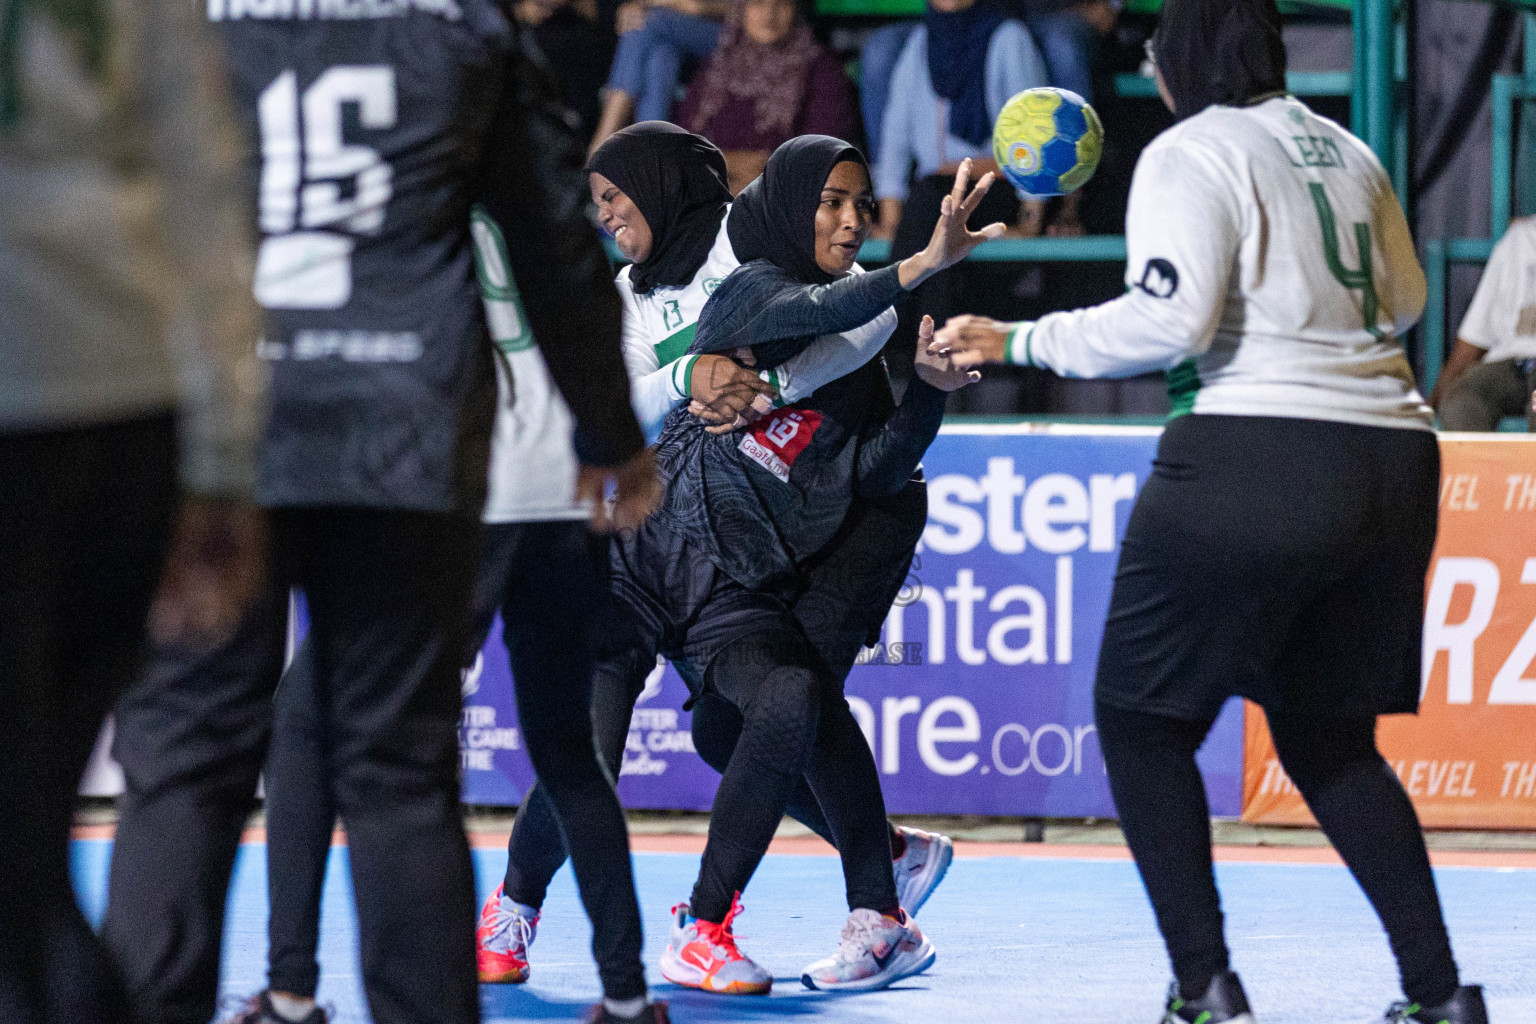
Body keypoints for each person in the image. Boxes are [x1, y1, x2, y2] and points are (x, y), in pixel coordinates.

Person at [929, 1, 1489, 1022]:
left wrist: (1013, 340)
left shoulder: (1192, 149)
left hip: (1258, 449)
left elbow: (1169, 316)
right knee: (1331, 742)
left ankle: (1206, 988)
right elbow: (1405, 301)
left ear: (1186, 55)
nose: (1153, 67)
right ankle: (1442, 995)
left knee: (1139, 724)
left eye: (1156, 52)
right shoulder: (1352, 151)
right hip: (1396, 461)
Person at [100, 9, 660, 1024]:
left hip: (222, 421)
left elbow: (101, 206)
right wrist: (610, 431)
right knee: (399, 771)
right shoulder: (463, 25)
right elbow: (552, 236)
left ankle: (260, 989)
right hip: (402, 425)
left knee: (181, 764)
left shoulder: (173, 20)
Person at [478, 122, 956, 988]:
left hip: (739, 571)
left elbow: (846, 316)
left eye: (617, 198)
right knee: (606, 743)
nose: (608, 217)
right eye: (598, 204)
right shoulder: (633, 295)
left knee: (776, 702)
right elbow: (618, 393)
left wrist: (861, 363)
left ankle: (736, 919)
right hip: (637, 559)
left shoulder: (753, 255)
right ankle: (511, 909)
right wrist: (693, 377)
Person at [239, 205, 664, 1024]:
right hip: (560, 498)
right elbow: (598, 327)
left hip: (452, 497)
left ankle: (290, 990)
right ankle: (628, 993)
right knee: (569, 754)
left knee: (305, 724)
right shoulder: (542, 209)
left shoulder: (395, 202)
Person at [642, 138, 999, 994]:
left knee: (792, 699)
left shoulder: (870, 317)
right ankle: (886, 858)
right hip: (785, 537)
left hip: (862, 534)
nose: (849, 220)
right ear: (788, 204)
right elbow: (816, 316)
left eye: (861, 204)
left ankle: (872, 915)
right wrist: (918, 265)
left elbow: (876, 466)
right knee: (720, 729)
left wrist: (925, 394)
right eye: (830, 201)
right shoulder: (751, 295)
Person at [0, 3, 262, 1022]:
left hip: (81, 395)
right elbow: (203, 190)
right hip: (121, 397)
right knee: (29, 843)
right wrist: (224, 458)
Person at [873, 0, 1051, 243]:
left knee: (932, 206)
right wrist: (890, 224)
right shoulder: (921, 43)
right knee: (931, 207)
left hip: (993, 189)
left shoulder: (1010, 37)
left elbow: (1035, 137)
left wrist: (1031, 223)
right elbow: (896, 137)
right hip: (933, 195)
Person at [677, 0, 860, 193]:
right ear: (741, 9)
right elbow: (685, 152)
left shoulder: (823, 71)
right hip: (713, 195)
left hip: (784, 197)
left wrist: (761, 170)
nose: (769, 15)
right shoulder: (715, 69)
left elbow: (822, 155)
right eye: (758, 3)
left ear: (796, 11)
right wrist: (730, 162)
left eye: (783, 4)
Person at [1430, 214, 1536, 431]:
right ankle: (1476, 466)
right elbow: (1475, 335)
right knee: (1461, 401)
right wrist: (1429, 407)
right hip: (1510, 364)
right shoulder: (1520, 237)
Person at [590, 0, 730, 153]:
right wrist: (633, 6)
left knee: (646, 22)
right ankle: (648, 162)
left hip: (725, 32)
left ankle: (602, 142)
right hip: (673, 30)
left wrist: (679, 4)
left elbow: (731, 7)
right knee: (661, 57)